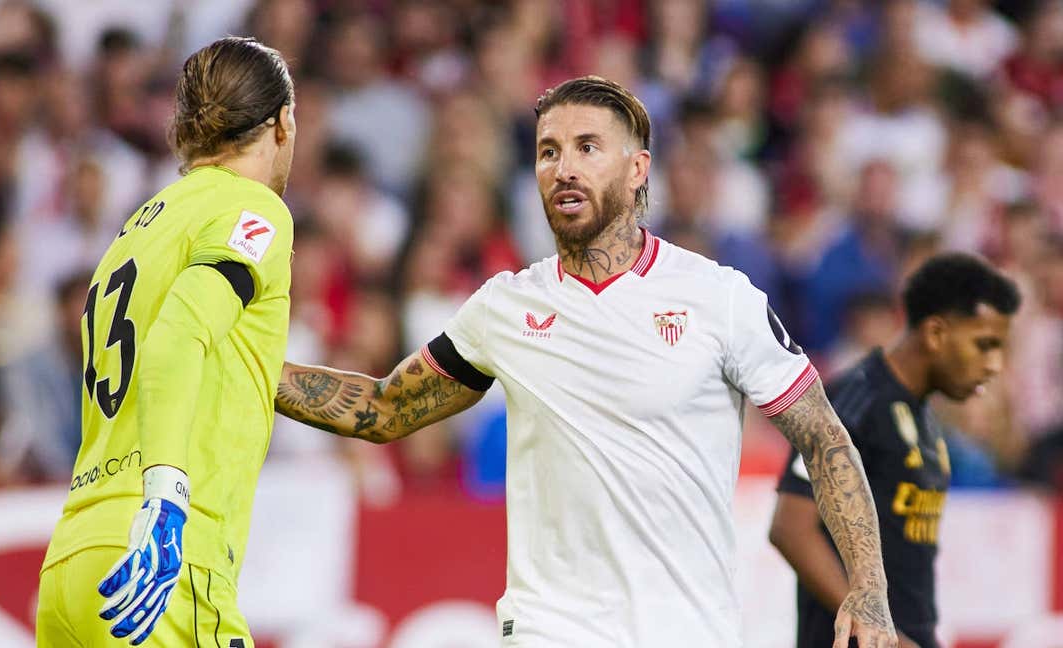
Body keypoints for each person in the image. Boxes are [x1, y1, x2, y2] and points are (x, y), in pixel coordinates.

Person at [276, 76, 898, 648]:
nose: (564, 167)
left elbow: (824, 440)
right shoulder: (506, 307)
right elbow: (386, 409)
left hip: (686, 630)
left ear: (637, 170)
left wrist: (868, 590)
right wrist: (243, 368)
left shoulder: (720, 299)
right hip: (551, 629)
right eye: (548, 151)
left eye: (587, 148)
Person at [36, 37, 296, 647]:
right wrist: (166, 499)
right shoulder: (254, 211)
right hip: (161, 563)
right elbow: (178, 337)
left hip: (74, 555)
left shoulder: (139, 224)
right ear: (283, 123)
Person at [769, 253, 1021, 648]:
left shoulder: (923, 414)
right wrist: (888, 637)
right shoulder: (854, 401)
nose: (994, 365)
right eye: (984, 345)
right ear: (936, 333)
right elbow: (791, 528)